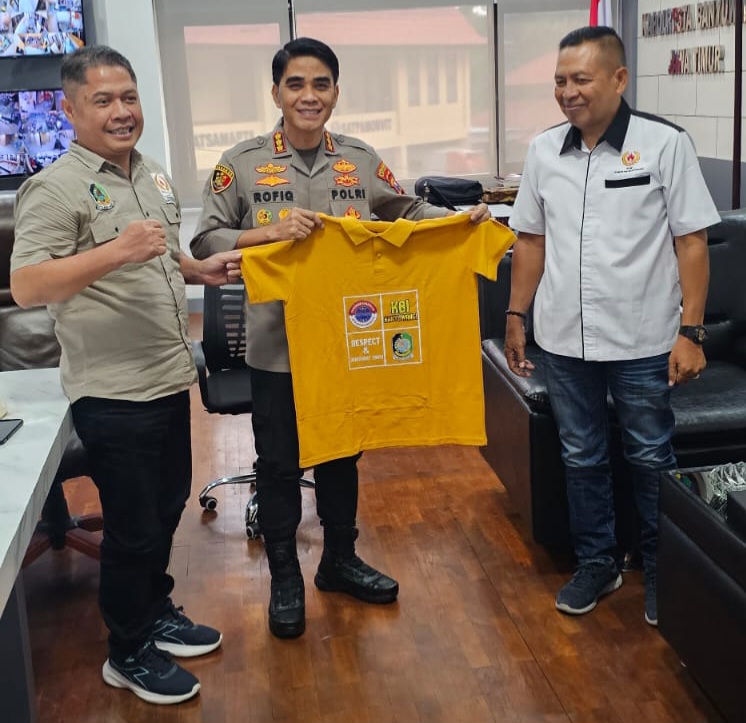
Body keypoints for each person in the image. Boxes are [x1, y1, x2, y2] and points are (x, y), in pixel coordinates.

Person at [191, 36, 491, 640]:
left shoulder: (359, 157)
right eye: (296, 84)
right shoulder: (241, 164)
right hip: (277, 347)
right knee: (279, 464)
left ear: (335, 92)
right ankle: (285, 576)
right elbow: (205, 241)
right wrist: (267, 233)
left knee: (341, 453)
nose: (309, 95)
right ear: (275, 92)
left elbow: (403, 212)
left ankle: (339, 560)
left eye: (321, 84)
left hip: (348, 345)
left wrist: (458, 221)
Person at [10, 45, 243, 705]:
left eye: (129, 97)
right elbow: (28, 285)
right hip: (112, 392)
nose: (121, 112)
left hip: (167, 375)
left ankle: (154, 609)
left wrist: (196, 269)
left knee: (165, 508)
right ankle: (128, 648)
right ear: (69, 110)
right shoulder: (54, 187)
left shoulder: (151, 173)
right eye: (103, 100)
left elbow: (158, 253)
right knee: (133, 525)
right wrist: (116, 250)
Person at [505, 25, 720, 626]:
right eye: (559, 81)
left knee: (650, 455)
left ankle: (662, 571)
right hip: (563, 338)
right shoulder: (544, 151)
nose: (567, 92)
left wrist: (691, 332)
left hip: (643, 338)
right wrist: (516, 315)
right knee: (580, 455)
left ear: (619, 79)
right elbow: (530, 240)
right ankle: (597, 562)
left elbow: (692, 241)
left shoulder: (663, 144)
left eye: (581, 79)